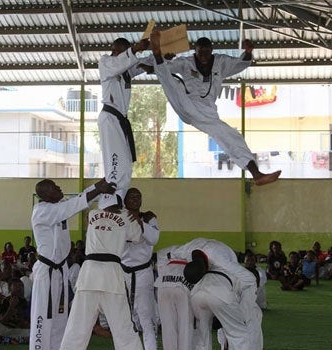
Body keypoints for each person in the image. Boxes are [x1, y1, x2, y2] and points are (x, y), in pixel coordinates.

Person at [147, 30, 281, 186]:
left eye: (206, 50)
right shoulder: (186, 63)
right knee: (171, 82)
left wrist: (248, 52)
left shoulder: (221, 62)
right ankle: (157, 54)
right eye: (200, 51)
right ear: (195, 51)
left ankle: (256, 174)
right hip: (187, 103)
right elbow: (167, 68)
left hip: (207, 112)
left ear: (211, 50)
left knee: (231, 136)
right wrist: (158, 63)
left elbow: (240, 63)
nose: (203, 54)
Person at [29, 178, 115, 350]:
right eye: (54, 188)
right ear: (45, 195)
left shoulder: (57, 207)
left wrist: (99, 185)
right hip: (47, 273)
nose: (59, 188)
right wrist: (98, 190)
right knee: (43, 318)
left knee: (60, 319)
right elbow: (72, 206)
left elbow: (80, 199)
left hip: (60, 270)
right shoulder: (41, 211)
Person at [58, 199, 144, 350]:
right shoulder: (125, 216)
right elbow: (137, 237)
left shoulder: (93, 214)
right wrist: (135, 218)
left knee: (77, 327)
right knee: (123, 328)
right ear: (120, 203)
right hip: (111, 277)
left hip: (89, 275)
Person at [175, 239, 261, 350]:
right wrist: (242, 312)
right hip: (220, 294)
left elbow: (173, 253)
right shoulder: (190, 251)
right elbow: (250, 279)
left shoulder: (218, 258)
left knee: (203, 333)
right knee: (238, 334)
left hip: (196, 295)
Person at [97, 36, 150, 209]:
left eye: (124, 51)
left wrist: (160, 58)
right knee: (116, 162)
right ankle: (109, 202)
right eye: (119, 51)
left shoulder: (126, 70)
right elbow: (119, 64)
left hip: (119, 120)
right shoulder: (106, 63)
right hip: (110, 118)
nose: (120, 55)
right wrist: (134, 50)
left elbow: (142, 64)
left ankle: (119, 199)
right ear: (114, 50)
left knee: (125, 164)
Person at [120, 188, 160, 350]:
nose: (135, 199)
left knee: (146, 318)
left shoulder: (149, 218)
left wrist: (140, 222)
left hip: (143, 273)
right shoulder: (119, 218)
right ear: (125, 200)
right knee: (126, 319)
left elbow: (154, 239)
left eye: (138, 196)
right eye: (132, 197)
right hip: (123, 273)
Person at [154, 246, 193, 350]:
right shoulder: (192, 247)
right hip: (184, 283)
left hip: (164, 283)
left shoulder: (164, 247)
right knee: (185, 327)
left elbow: (159, 267)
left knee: (168, 327)